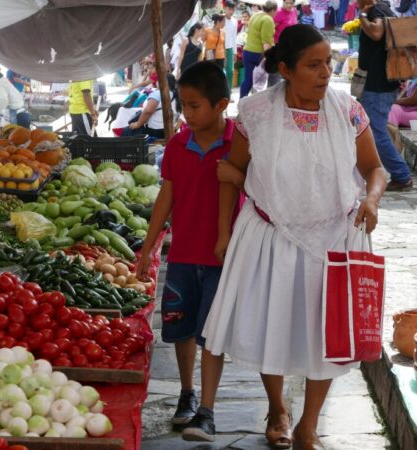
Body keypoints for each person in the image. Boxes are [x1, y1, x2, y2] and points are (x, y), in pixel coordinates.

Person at [201, 24, 388, 449]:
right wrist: (223, 232)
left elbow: (375, 169)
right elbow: (231, 174)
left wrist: (372, 200)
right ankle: (277, 407)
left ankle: (309, 424)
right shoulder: (256, 113)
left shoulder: (348, 111)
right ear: (286, 69)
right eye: (314, 65)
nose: (325, 73)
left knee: (326, 335)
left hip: (334, 238)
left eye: (328, 63)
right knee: (275, 326)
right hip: (270, 235)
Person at [136, 62, 239, 441]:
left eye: (195, 106)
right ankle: (186, 393)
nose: (187, 114)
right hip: (181, 256)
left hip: (222, 258)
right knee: (181, 331)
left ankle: (207, 411)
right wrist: (149, 247)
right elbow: (167, 194)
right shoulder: (178, 145)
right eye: (184, 105)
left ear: (221, 105)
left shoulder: (237, 143)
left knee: (213, 334)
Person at [357, 0, 414, 189]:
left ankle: (401, 174)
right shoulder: (381, 9)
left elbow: (376, 32)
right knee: (373, 130)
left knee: (376, 132)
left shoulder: (377, 10)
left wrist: (362, 16)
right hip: (380, 83)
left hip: (378, 85)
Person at [123, 74, 177, 140]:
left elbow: (148, 111)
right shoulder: (175, 94)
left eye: (157, 80)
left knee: (126, 132)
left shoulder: (158, 93)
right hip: (169, 130)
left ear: (161, 82)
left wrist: (137, 124)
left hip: (154, 130)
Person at [240, 1, 277, 98]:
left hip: (247, 51)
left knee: (248, 80)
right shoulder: (268, 19)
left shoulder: (255, 15)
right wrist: (269, 58)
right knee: (263, 81)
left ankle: (241, 102)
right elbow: (266, 41)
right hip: (258, 54)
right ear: (273, 10)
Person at [0, 64, 30, 129]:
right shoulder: (1, 81)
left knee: (14, 135)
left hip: (16, 113)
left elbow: (3, 100)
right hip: (20, 111)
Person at [269, 0, 299, 86]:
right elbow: (270, 29)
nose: (289, 5)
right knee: (276, 72)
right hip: (278, 45)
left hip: (291, 46)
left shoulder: (294, 11)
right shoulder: (278, 13)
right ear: (283, 2)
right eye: (287, 3)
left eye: (291, 3)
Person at [224, 2, 239, 91]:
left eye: (233, 9)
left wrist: (235, 52)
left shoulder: (235, 21)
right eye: (229, 9)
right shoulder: (220, 19)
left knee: (230, 72)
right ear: (225, 8)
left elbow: (234, 37)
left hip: (230, 49)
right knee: (220, 72)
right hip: (219, 49)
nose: (231, 11)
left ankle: (229, 92)